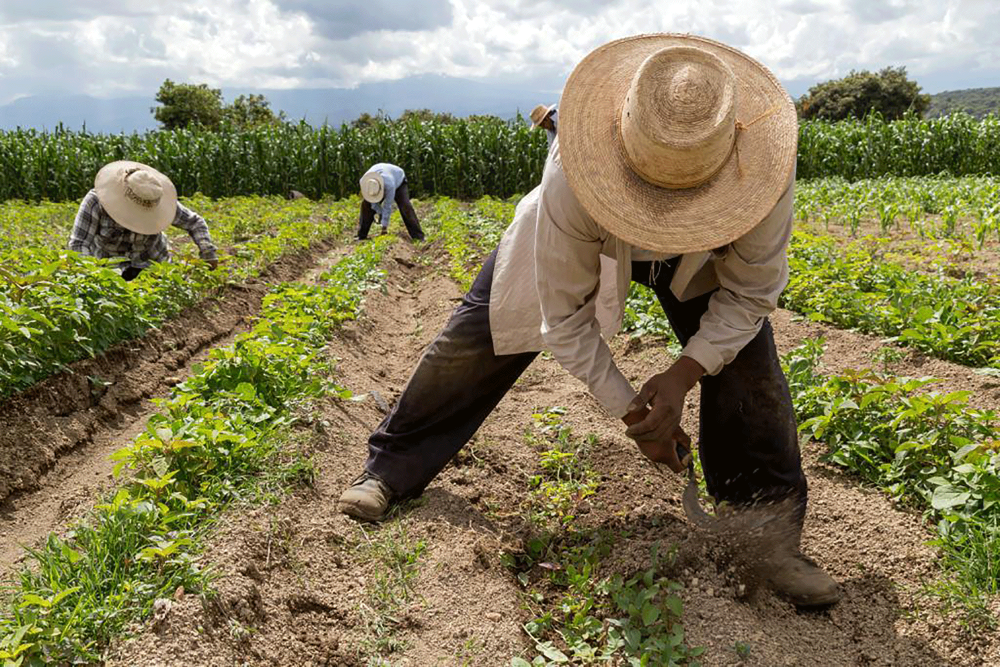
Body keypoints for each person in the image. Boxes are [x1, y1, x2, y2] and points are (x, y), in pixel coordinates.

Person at [339, 34, 841, 608]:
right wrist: (632, 410)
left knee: (750, 372)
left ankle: (766, 541)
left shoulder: (764, 170)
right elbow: (564, 318)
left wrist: (683, 374)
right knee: (478, 339)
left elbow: (751, 294)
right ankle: (390, 470)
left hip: (708, 257)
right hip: (592, 235)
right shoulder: (573, 177)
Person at [68, 161, 218, 280]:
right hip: (110, 272)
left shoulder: (155, 199)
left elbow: (195, 223)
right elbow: (79, 243)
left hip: (154, 267)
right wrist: (91, 276)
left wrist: (207, 252)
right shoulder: (96, 202)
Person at [357, 163, 426, 241]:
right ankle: (362, 236)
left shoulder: (389, 185)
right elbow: (373, 203)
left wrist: (384, 226)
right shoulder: (364, 182)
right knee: (366, 205)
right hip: (382, 176)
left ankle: (418, 236)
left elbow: (388, 205)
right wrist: (379, 212)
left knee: (405, 206)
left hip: (398, 180)